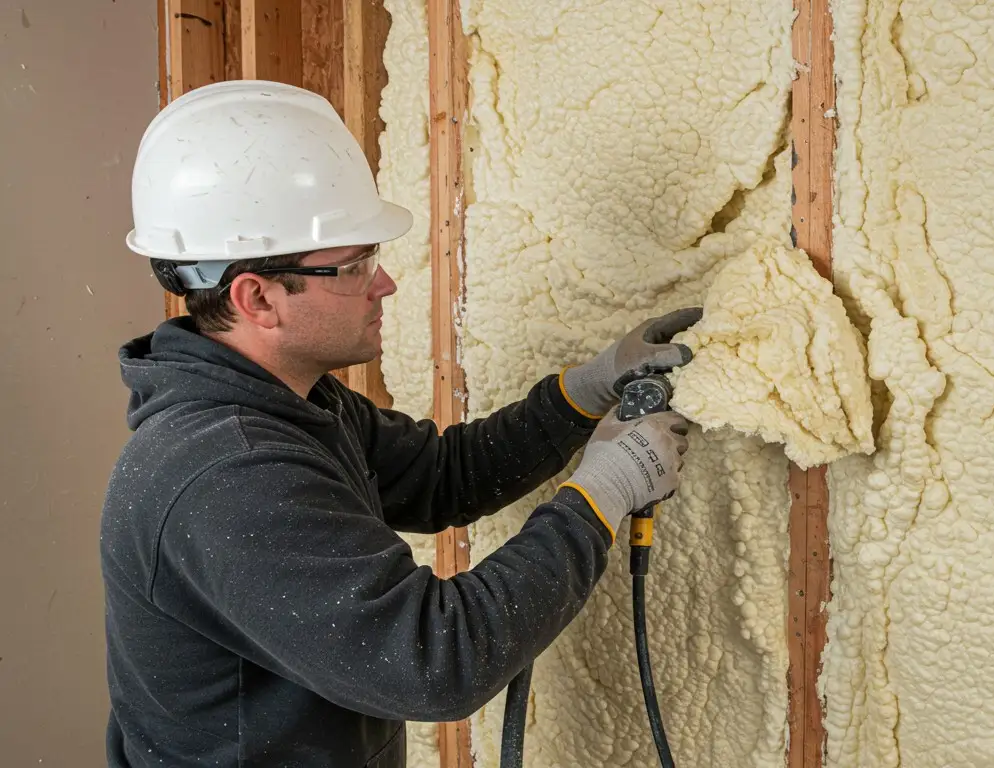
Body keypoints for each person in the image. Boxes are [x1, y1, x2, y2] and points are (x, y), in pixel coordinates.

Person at [101, 79, 699, 767]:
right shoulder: (227, 474)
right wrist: (604, 492)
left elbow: (444, 477)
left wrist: (582, 391)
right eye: (355, 266)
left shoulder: (290, 403)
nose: (383, 284)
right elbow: (438, 661)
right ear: (257, 296)